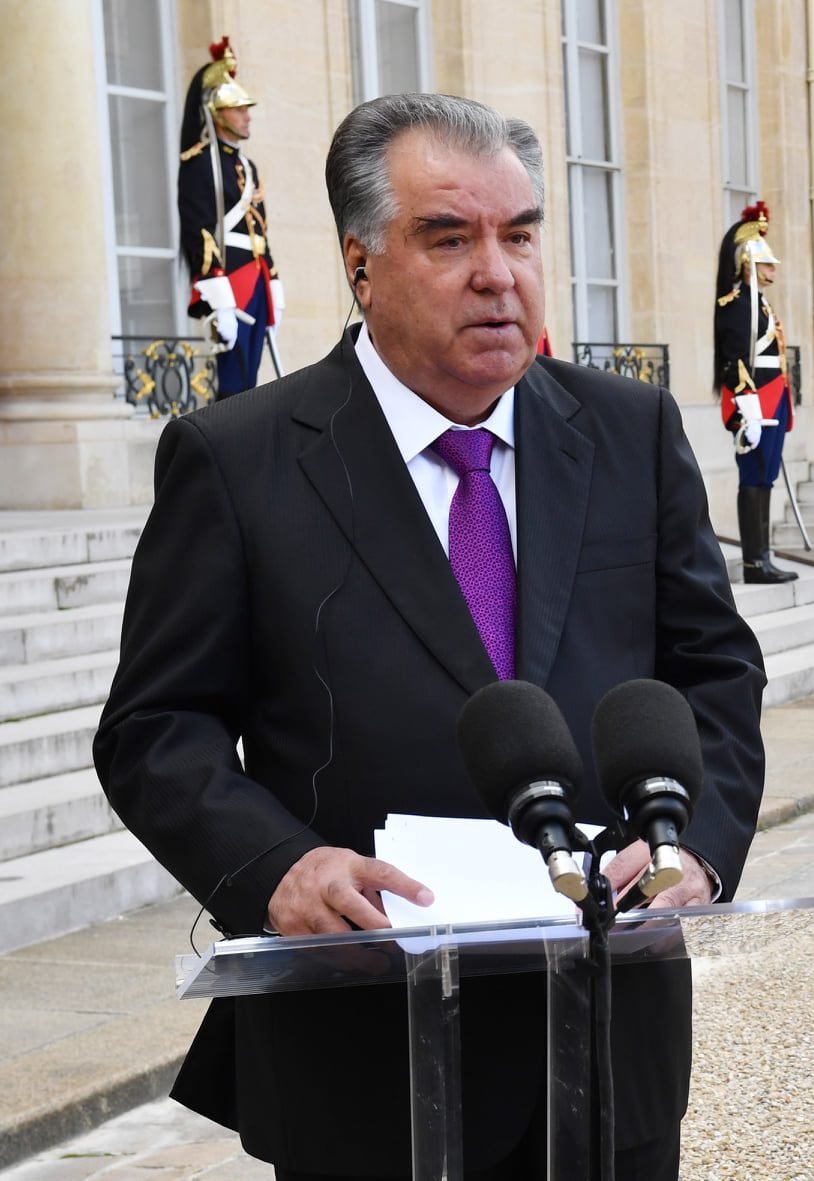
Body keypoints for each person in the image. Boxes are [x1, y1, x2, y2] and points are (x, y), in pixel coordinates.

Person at [95, 93, 766, 1180]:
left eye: (521, 235)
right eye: (449, 239)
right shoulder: (237, 459)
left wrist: (696, 843)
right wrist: (277, 867)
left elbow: (715, 671)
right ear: (360, 265)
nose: (498, 274)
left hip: (608, 1046)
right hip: (364, 1056)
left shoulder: (630, 432)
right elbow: (155, 728)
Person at [177, 37, 281, 398]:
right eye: (238, 109)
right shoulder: (199, 163)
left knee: (250, 384)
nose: (247, 116)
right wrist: (218, 297)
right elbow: (200, 230)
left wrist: (274, 281)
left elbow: (260, 230)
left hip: (257, 279)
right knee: (233, 388)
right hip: (230, 282)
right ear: (217, 113)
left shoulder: (247, 167)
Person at [714, 201, 797, 584]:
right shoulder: (736, 304)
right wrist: (746, 407)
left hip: (774, 398)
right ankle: (753, 562)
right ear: (747, 263)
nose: (772, 269)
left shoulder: (761, 305)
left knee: (766, 477)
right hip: (754, 401)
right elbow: (734, 359)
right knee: (753, 476)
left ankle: (763, 556)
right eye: (765, 263)